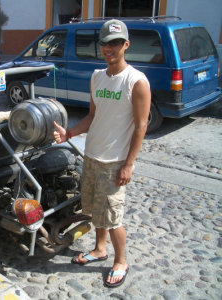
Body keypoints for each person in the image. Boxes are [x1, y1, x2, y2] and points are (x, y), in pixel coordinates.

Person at [53, 19, 151, 288]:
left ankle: (120, 261)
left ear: (126, 45)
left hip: (115, 160)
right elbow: (93, 117)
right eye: (105, 43)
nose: (109, 48)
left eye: (115, 43)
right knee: (96, 210)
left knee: (112, 216)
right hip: (93, 155)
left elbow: (142, 125)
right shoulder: (97, 77)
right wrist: (70, 133)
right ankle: (99, 249)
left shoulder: (136, 81)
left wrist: (129, 164)